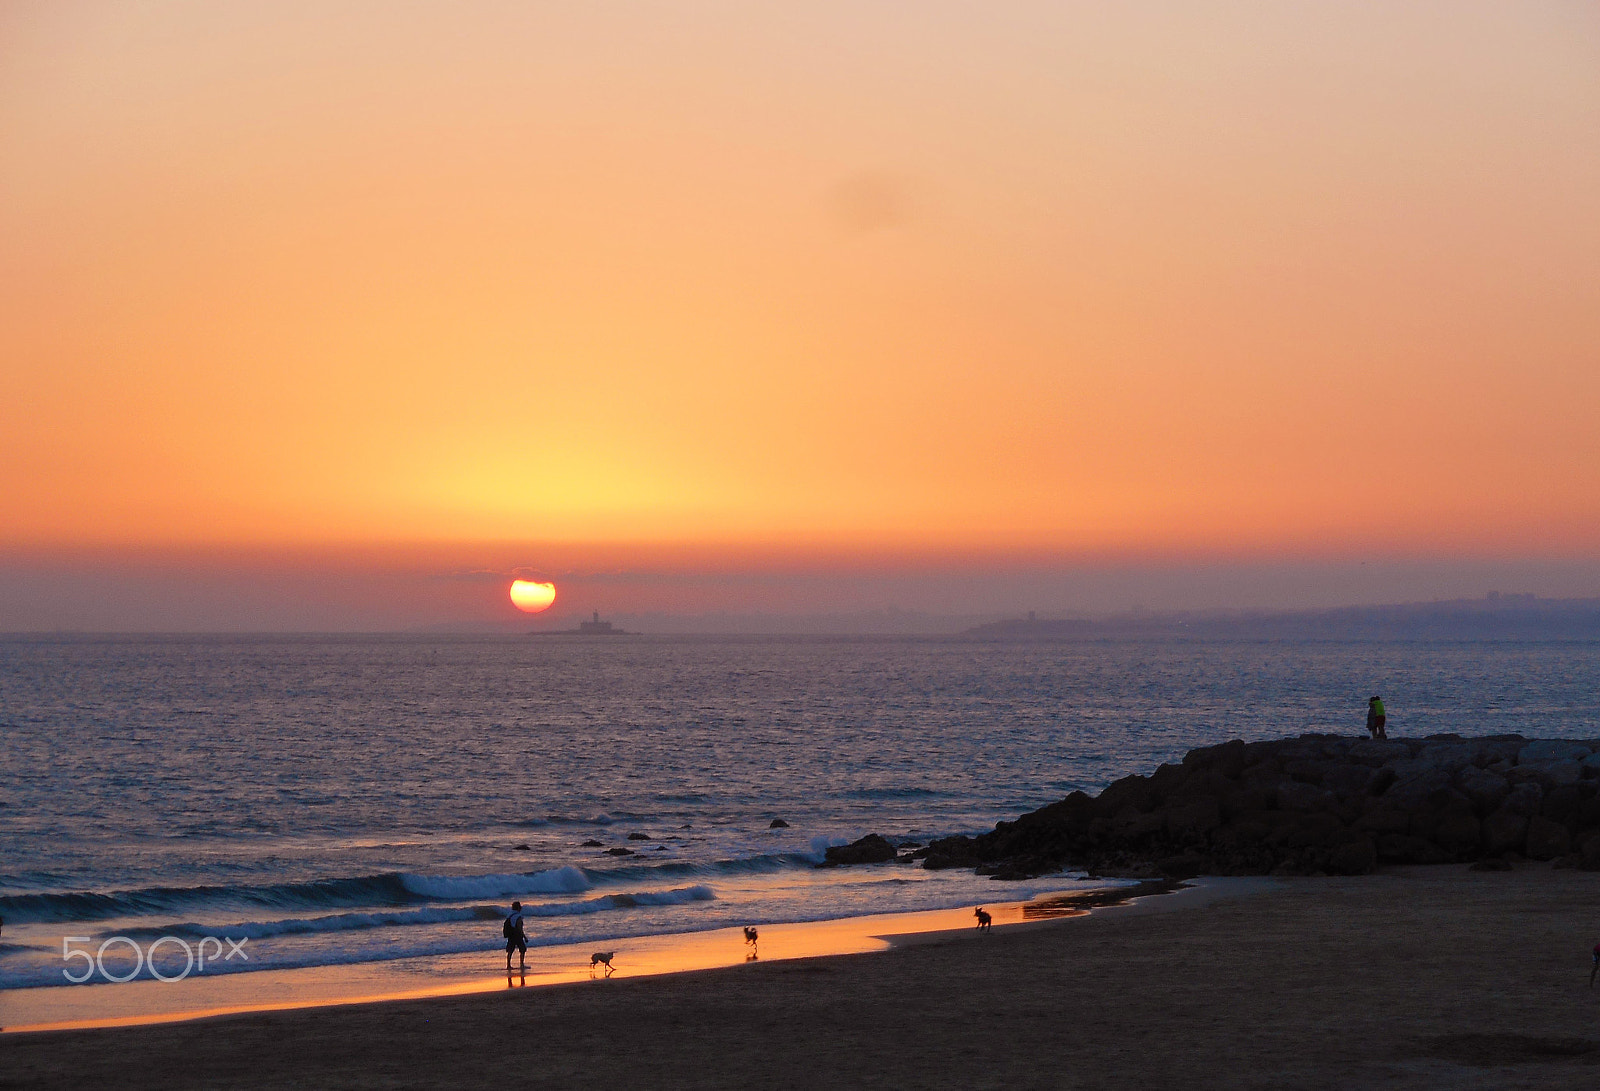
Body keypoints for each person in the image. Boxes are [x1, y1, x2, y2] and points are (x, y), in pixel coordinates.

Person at [503, 901, 527, 973]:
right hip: (517, 934)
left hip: (511, 935)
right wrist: (524, 936)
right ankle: (522, 964)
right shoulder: (518, 916)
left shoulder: (509, 915)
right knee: (522, 949)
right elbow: (519, 927)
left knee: (510, 950)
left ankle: (508, 965)